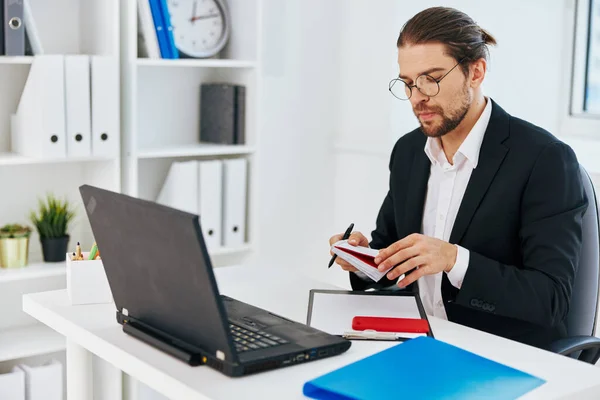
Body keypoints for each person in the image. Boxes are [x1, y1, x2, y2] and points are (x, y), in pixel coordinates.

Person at [329, 6, 588, 350]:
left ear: (475, 72)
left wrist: (454, 260)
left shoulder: (544, 159)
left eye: (431, 79)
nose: (417, 97)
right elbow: (391, 253)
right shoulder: (408, 152)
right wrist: (364, 262)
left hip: (499, 354)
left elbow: (551, 299)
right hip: (417, 342)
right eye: (408, 83)